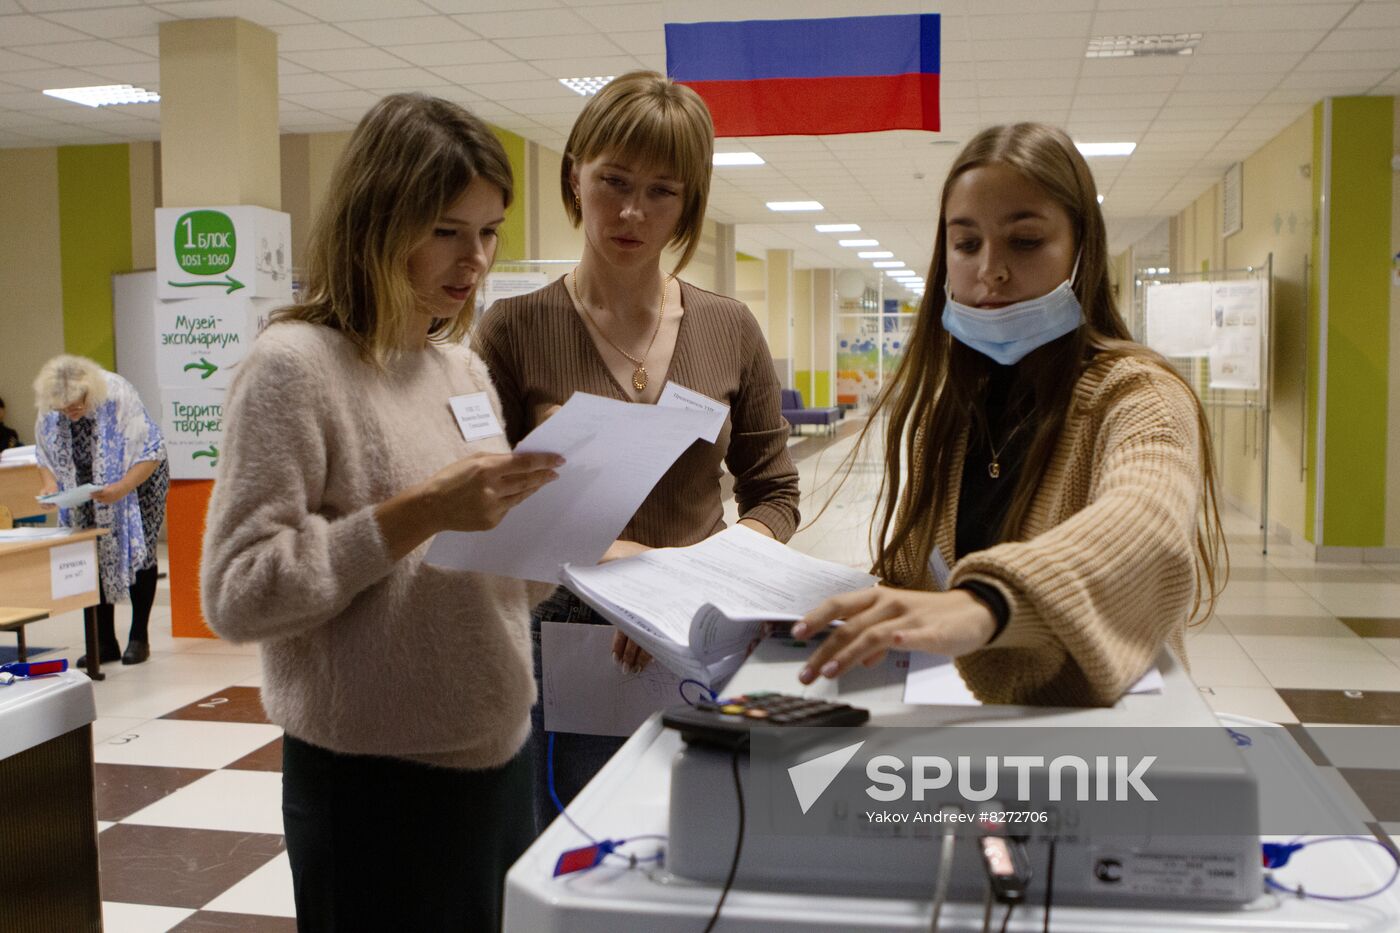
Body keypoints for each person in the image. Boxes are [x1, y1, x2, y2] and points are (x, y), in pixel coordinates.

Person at [199, 93, 562, 932]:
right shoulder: (294, 368)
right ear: (376, 217)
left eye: (489, 231)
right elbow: (239, 591)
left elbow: (504, 591)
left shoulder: (461, 372)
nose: (473, 258)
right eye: (446, 228)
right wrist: (413, 515)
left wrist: (552, 521)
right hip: (375, 787)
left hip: (497, 756)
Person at [794, 123, 1226, 707]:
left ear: (1081, 250)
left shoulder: (1138, 395)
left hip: (1101, 737)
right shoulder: (951, 413)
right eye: (966, 244)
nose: (989, 270)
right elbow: (920, 576)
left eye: (1024, 242)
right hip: (971, 722)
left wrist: (987, 602)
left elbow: (1146, 520)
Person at [474, 71, 801, 827]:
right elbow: (492, 504)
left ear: (690, 202)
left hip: (706, 630)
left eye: (663, 192)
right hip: (573, 639)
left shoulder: (730, 327)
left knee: (706, 836)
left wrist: (689, 584)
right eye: (613, 181)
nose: (631, 211)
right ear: (574, 175)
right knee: (576, 843)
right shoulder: (514, 330)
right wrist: (625, 581)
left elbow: (775, 493)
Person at [33, 356, 168, 667]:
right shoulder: (51, 406)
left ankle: (139, 637)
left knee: (141, 548)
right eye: (63, 408)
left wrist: (121, 488)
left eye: (76, 404)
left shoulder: (117, 394)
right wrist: (50, 488)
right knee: (89, 551)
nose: (71, 411)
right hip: (85, 481)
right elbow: (44, 455)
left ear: (88, 391)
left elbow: (152, 451)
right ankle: (103, 641)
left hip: (139, 477)